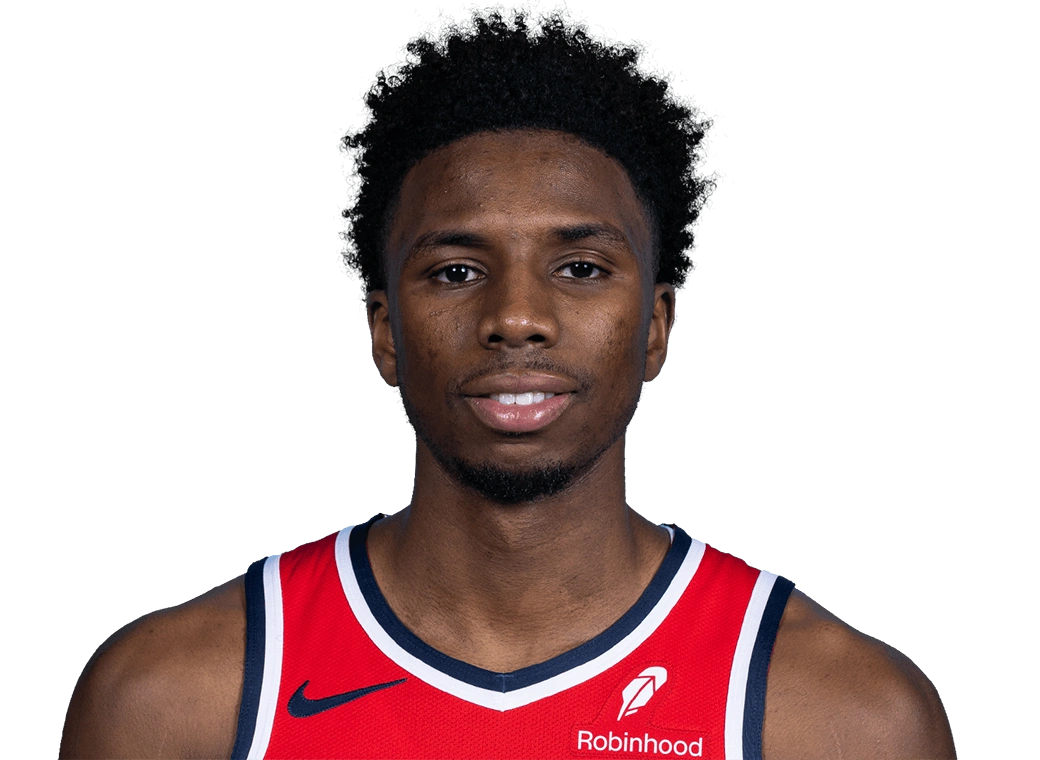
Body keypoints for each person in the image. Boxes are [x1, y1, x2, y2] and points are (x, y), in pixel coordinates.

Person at [60, 6, 956, 759]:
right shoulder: (178, 703)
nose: (517, 317)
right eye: (456, 271)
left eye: (580, 268)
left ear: (655, 327)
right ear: (385, 332)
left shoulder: (838, 718)